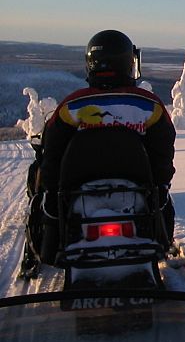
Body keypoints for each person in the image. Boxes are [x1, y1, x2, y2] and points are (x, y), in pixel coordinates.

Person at [27, 30, 176, 267]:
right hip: (135, 187)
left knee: (46, 202)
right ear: (129, 62)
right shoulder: (150, 106)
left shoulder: (72, 105)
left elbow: (53, 151)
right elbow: (163, 150)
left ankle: (50, 244)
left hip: (78, 192)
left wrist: (52, 193)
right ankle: (160, 241)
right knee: (163, 202)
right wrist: (160, 183)